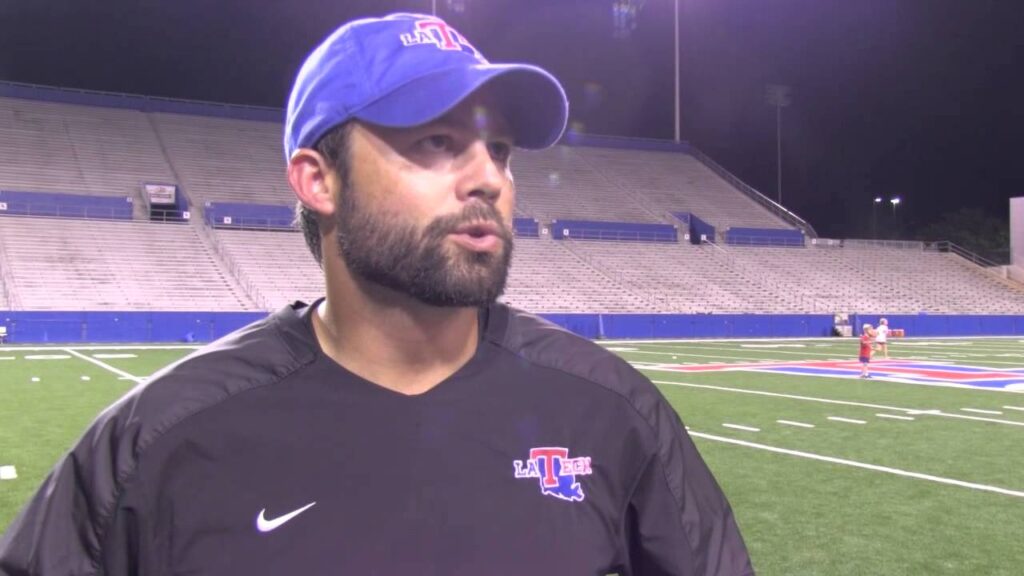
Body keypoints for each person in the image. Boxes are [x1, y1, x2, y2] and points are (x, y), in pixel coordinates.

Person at [0, 13, 752, 575]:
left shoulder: (612, 411)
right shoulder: (158, 438)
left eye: (498, 150)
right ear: (317, 180)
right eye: (435, 142)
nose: (488, 176)